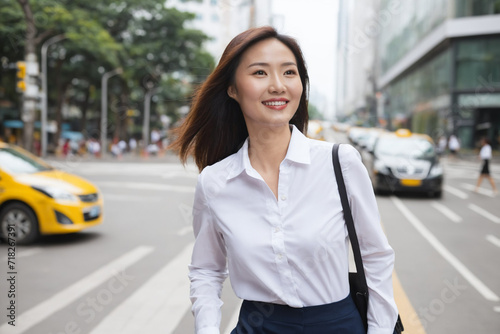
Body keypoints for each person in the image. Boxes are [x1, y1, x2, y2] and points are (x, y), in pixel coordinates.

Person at [170, 26, 398, 334]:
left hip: (337, 325)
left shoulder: (340, 163)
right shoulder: (215, 182)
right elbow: (206, 269)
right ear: (233, 89)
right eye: (260, 73)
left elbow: (376, 256)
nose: (278, 85)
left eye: (289, 73)